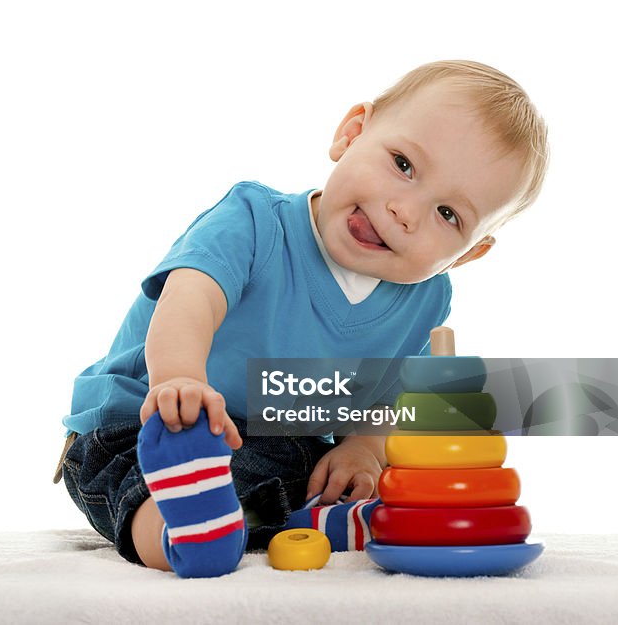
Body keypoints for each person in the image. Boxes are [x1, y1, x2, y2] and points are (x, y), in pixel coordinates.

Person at [56, 60, 549, 578]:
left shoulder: (427, 300)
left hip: (277, 444)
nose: (405, 209)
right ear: (351, 133)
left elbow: (389, 394)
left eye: (448, 215)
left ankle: (300, 522)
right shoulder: (253, 221)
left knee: (301, 475)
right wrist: (179, 380)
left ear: (468, 254)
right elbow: (190, 300)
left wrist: (362, 448)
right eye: (403, 164)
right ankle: (177, 533)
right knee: (138, 486)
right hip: (147, 422)